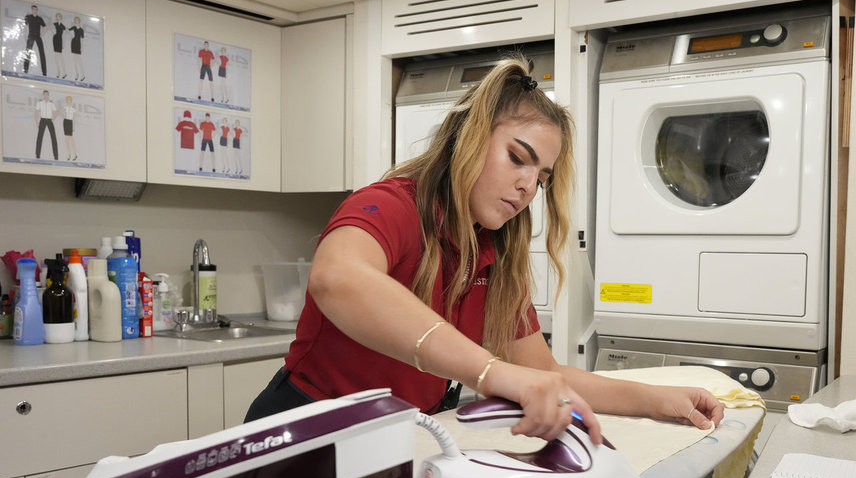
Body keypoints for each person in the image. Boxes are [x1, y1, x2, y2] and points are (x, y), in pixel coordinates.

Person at [244, 56, 724, 442]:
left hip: (400, 437)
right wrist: (493, 373)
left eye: (541, 177)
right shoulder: (390, 206)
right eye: (517, 158)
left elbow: (544, 373)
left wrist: (658, 399)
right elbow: (338, 279)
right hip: (304, 430)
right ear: (468, 137)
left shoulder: (490, 254)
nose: (526, 187)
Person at [22, 5, 47, 76]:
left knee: (42, 53)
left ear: (37, 10)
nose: (34, 11)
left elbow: (45, 27)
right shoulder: (28, 17)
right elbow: (25, 27)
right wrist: (25, 36)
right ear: (31, 10)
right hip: (31, 36)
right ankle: (25, 70)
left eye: (36, 9)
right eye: (33, 9)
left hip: (38, 36)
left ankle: (44, 72)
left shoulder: (39, 18)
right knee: (27, 52)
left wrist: (41, 35)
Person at [34, 90, 58, 160]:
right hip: (43, 120)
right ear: (43, 95)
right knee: (39, 137)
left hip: (49, 120)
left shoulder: (51, 103)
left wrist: (53, 119)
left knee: (53, 137)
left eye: (47, 94)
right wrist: (36, 122)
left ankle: (56, 155)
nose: (46, 96)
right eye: (44, 94)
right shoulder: (40, 103)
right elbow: (36, 112)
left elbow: (56, 112)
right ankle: (37, 155)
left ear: (48, 95)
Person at [61, 95, 77, 161]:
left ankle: (74, 154)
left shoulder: (74, 110)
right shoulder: (65, 108)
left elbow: (74, 119)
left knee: (71, 138)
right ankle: (69, 154)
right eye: (67, 102)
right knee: (66, 139)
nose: (69, 103)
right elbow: (62, 113)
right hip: (65, 122)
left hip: (70, 122)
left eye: (70, 101)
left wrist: (73, 127)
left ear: (71, 102)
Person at [68, 16, 84, 82]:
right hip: (73, 43)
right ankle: (77, 74)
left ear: (79, 21)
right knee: (74, 61)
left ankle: (82, 75)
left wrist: (82, 48)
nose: (76, 22)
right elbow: (68, 30)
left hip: (78, 44)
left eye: (77, 20)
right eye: (75, 20)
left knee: (79, 61)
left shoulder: (81, 30)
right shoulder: (74, 27)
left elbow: (82, 39)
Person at [51, 13, 66, 79]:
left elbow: (64, 36)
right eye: (57, 17)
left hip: (60, 40)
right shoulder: (55, 24)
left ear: (61, 17)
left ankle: (64, 72)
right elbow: (50, 27)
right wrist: (54, 33)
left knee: (60, 57)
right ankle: (58, 71)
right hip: (55, 39)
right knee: (56, 56)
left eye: (59, 17)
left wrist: (63, 44)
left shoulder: (63, 26)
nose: (58, 18)